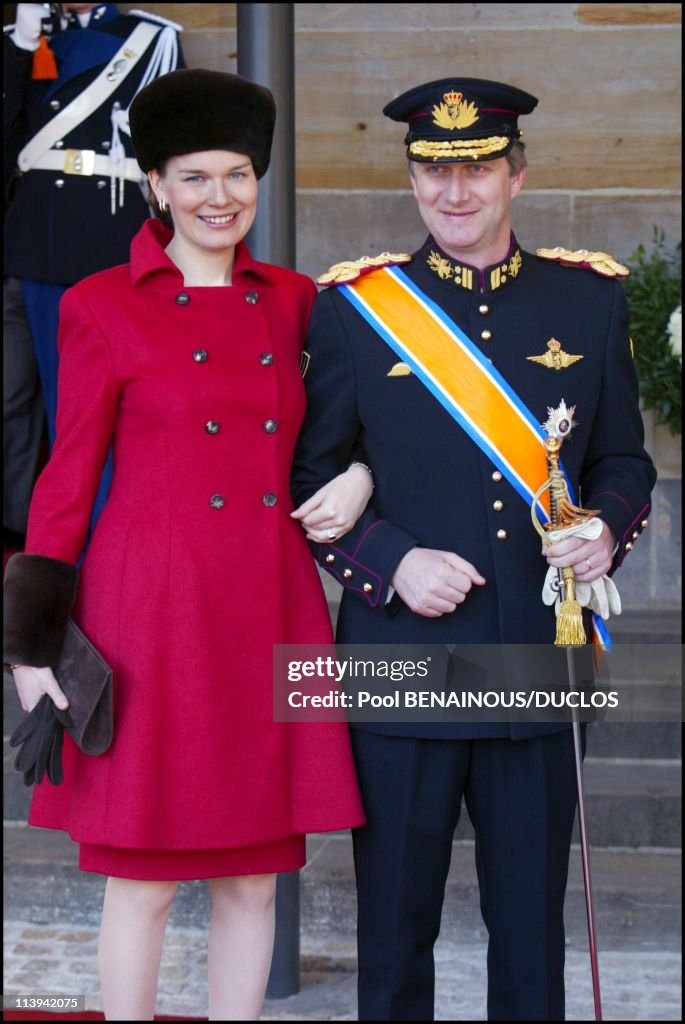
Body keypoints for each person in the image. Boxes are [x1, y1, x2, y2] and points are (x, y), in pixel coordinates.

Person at [3, 68, 370, 1021]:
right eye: (196, 177)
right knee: (147, 879)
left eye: (239, 175)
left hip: (268, 605)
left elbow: (342, 434)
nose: (222, 198)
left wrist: (362, 476)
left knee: (255, 877)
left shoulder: (299, 302)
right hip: (148, 612)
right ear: (156, 186)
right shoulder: (98, 304)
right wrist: (31, 643)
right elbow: (68, 473)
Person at [291, 77, 656, 1020]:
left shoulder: (588, 302)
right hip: (399, 653)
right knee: (395, 923)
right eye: (432, 172)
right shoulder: (355, 310)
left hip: (535, 647)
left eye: (478, 171)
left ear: (516, 176)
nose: (454, 194)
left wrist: (605, 526)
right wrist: (390, 560)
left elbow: (622, 458)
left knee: (530, 927)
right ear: (411, 178)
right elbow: (306, 481)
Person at [3, 2, 184, 541]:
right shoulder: (24, 40)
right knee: (11, 402)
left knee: (79, 409)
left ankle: (88, 537)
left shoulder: (151, 38)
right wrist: (19, 46)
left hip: (98, 242)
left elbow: (169, 145)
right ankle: (18, 533)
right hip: (28, 242)